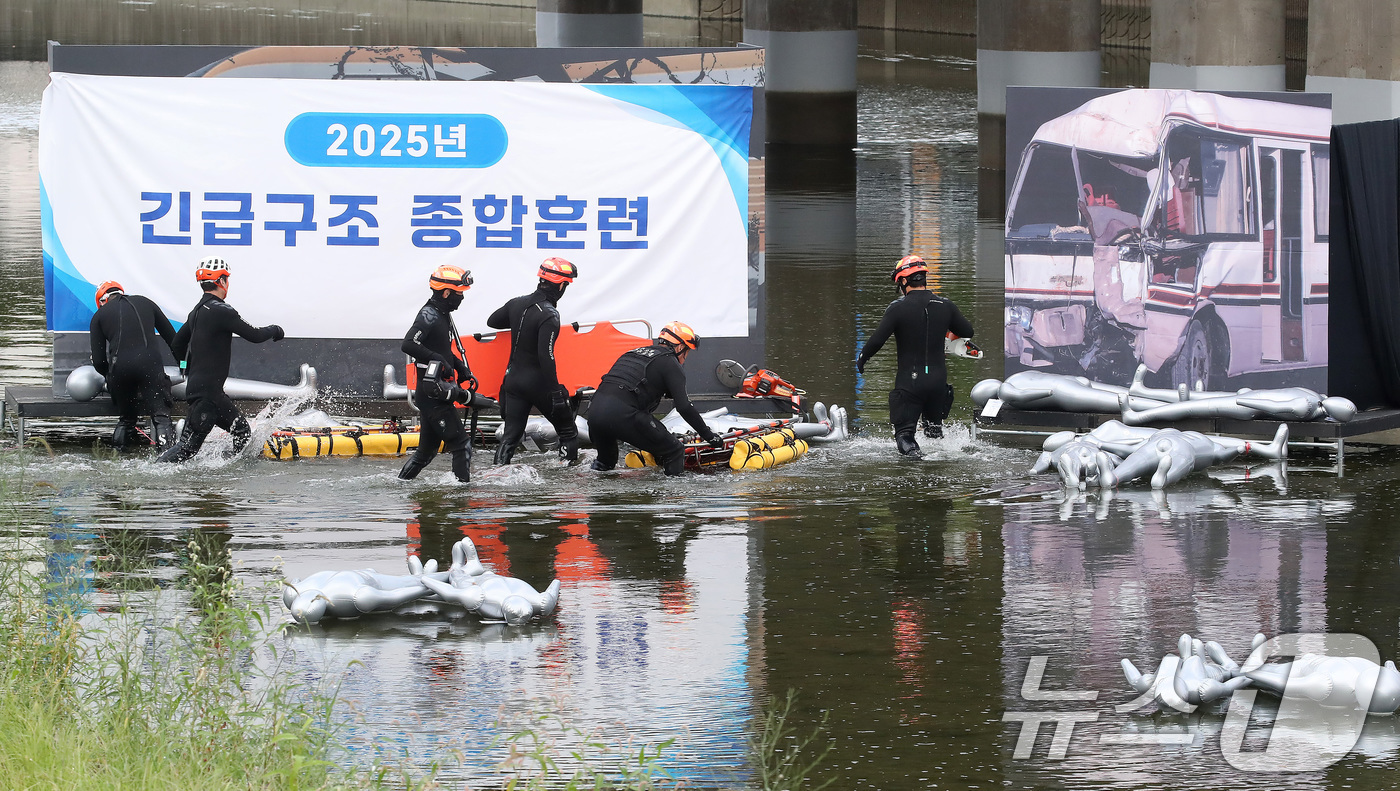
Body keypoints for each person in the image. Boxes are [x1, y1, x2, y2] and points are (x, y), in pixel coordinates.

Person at [157, 258, 285, 463]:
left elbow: (177, 345)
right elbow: (254, 335)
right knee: (187, 448)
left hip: (206, 391)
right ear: (222, 281)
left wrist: (186, 367)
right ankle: (155, 475)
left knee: (242, 432)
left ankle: (229, 472)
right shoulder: (222, 311)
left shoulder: (196, 312)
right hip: (208, 395)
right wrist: (275, 330)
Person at [855, 255, 975, 457]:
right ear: (923, 278)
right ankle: (935, 474)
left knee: (905, 436)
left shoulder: (897, 309)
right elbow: (967, 331)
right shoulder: (945, 305)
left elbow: (876, 341)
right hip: (938, 385)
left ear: (903, 281)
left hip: (910, 384)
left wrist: (862, 358)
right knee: (934, 436)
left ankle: (916, 463)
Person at [588, 321, 724, 476]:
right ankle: (673, 497)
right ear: (680, 348)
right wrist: (709, 436)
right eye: (687, 352)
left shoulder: (632, 353)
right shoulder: (670, 362)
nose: (685, 358)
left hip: (595, 413)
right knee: (674, 450)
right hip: (623, 414)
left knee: (606, 464)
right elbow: (684, 407)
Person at [487, 257, 581, 465]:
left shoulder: (516, 303)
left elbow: (492, 321)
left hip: (512, 381)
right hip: (538, 384)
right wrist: (556, 392)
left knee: (510, 436)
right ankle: (567, 476)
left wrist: (516, 319)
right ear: (561, 285)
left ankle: (496, 476)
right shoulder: (550, 315)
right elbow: (545, 356)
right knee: (568, 431)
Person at [398, 264, 476, 483]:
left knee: (426, 453)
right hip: (432, 393)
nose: (461, 298)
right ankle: (462, 497)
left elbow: (443, 349)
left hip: (436, 391)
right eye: (459, 293)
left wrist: (461, 369)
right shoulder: (428, 315)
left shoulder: (443, 314)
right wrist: (439, 360)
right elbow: (408, 344)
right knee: (462, 445)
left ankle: (401, 484)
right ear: (446, 292)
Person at [88, 280, 179, 450]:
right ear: (121, 292)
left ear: (102, 301)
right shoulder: (146, 302)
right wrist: (183, 365)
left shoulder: (98, 317)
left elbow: (99, 361)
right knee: (161, 417)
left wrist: (110, 377)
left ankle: (118, 458)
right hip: (150, 366)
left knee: (126, 419)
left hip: (120, 370)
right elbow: (174, 341)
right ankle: (168, 461)